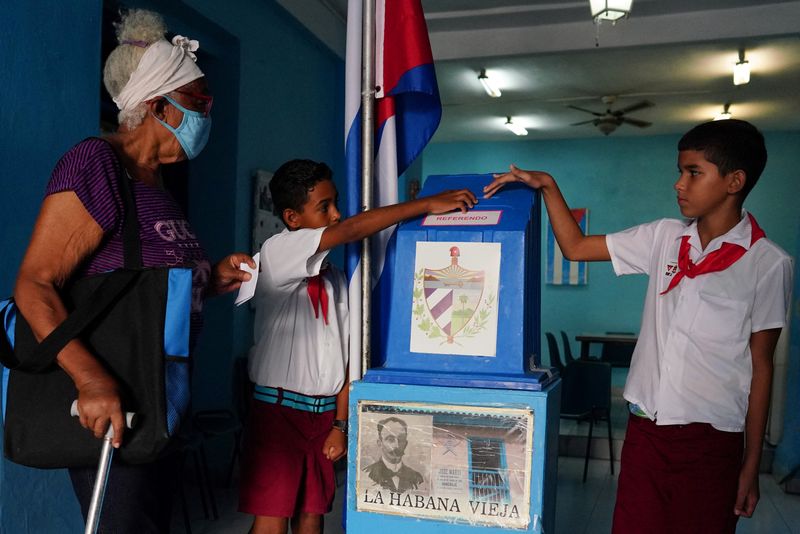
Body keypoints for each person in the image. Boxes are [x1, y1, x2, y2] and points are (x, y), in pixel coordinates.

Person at [484, 119, 793, 534]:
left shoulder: (769, 263)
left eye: (693, 173)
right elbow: (575, 247)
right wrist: (548, 186)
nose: (679, 184)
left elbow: (762, 366)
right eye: (680, 172)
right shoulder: (664, 238)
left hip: (711, 443)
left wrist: (751, 464)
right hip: (646, 433)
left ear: (735, 181)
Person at [12, 9, 253, 533]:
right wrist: (90, 379)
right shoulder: (95, 163)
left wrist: (209, 278)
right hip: (115, 397)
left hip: (161, 391)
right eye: (198, 103)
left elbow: (136, 288)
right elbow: (34, 284)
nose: (208, 113)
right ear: (155, 105)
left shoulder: (152, 182)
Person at [239, 159, 475, 534]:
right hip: (278, 413)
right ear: (292, 217)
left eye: (336, 204)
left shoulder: (335, 280)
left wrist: (340, 424)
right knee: (271, 519)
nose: (336, 215)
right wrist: (425, 204)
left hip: (322, 416)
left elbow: (346, 360)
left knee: (312, 515)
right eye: (324, 207)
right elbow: (349, 230)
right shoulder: (278, 252)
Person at [363, 416, 424, 493]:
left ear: (406, 443)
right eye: (390, 439)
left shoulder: (417, 478)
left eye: (401, 439)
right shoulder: (367, 474)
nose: (397, 445)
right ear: (380, 443)